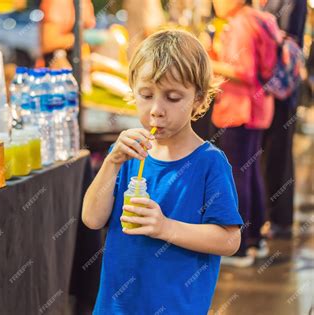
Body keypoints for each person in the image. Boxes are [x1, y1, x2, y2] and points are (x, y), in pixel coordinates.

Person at [82, 29, 242, 314]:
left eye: (173, 97)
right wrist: (111, 163)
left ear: (198, 99)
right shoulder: (127, 154)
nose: (156, 110)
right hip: (115, 306)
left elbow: (229, 240)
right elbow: (92, 219)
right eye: (146, 95)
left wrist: (165, 227)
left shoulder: (210, 163)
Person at [210, 0, 279, 267]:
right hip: (258, 108)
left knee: (237, 175)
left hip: (240, 109)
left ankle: (239, 249)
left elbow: (244, 72)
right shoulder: (260, 19)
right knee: (250, 173)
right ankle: (256, 240)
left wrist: (210, 64)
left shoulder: (240, 24)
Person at [261, 0, 308, 238]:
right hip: (270, 89)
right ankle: (273, 217)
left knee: (278, 152)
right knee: (269, 154)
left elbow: (288, 39)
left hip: (282, 89)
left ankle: (280, 220)